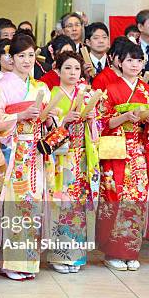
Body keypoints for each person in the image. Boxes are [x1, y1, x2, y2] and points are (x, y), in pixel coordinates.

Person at [0, 34, 54, 281]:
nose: (27, 60)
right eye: (21, 55)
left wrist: (49, 117)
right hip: (13, 152)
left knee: (32, 206)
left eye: (30, 55)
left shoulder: (41, 87)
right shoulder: (1, 86)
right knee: (14, 206)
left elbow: (49, 120)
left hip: (34, 153)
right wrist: (21, 115)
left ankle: (28, 262)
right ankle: (10, 263)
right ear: (11, 58)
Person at [96, 42, 149, 271]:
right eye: (129, 60)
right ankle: (113, 251)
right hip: (115, 150)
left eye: (138, 61)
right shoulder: (110, 89)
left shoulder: (148, 91)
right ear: (119, 62)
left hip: (137, 151)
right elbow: (103, 123)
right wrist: (125, 117)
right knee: (115, 198)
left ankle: (131, 250)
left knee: (137, 200)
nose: (134, 65)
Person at [46, 51, 100, 273]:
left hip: (81, 157)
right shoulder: (52, 95)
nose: (72, 72)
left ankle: (76, 257)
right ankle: (59, 256)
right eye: (67, 68)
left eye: (76, 68)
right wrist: (63, 121)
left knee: (79, 205)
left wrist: (91, 120)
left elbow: (96, 130)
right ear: (57, 70)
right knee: (61, 204)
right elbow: (46, 128)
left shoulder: (85, 94)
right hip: (61, 159)